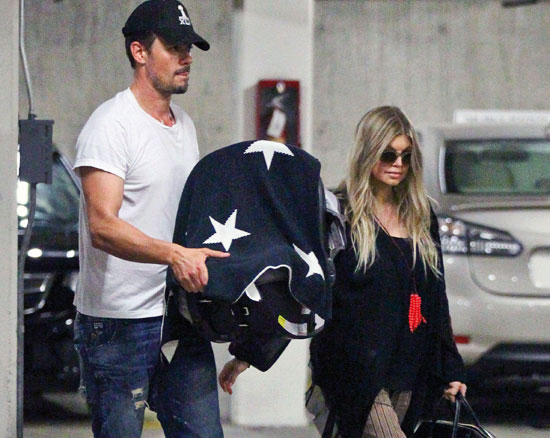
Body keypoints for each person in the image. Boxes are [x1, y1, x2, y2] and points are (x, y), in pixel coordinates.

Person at [72, 1, 229, 437]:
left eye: (189, 48)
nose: (186, 57)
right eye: (175, 47)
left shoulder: (184, 126)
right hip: (118, 324)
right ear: (139, 52)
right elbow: (102, 226)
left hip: (178, 312)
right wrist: (174, 255)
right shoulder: (111, 125)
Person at [305, 106, 467, 438]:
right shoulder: (340, 213)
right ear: (367, 152)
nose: (398, 165)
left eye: (406, 156)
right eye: (388, 154)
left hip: (409, 365)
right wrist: (252, 352)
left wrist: (450, 367)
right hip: (355, 368)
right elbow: (307, 285)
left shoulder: (420, 215)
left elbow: (436, 299)